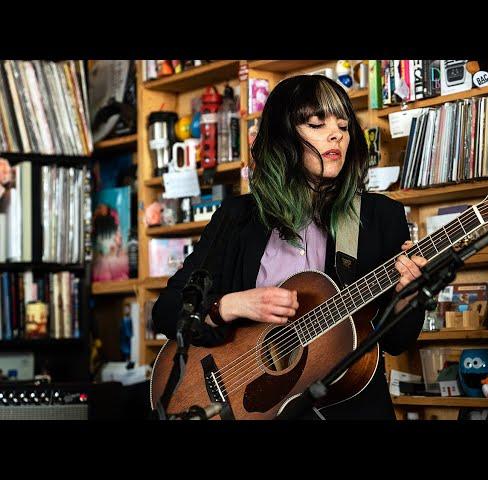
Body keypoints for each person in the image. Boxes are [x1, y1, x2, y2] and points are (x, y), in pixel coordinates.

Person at [152, 74, 427, 419]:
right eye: (316, 123)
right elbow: (167, 311)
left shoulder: (380, 216)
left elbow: (397, 341)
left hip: (346, 410)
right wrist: (232, 305)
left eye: (343, 126)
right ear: (282, 138)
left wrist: (406, 294)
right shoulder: (238, 217)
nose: (336, 135)